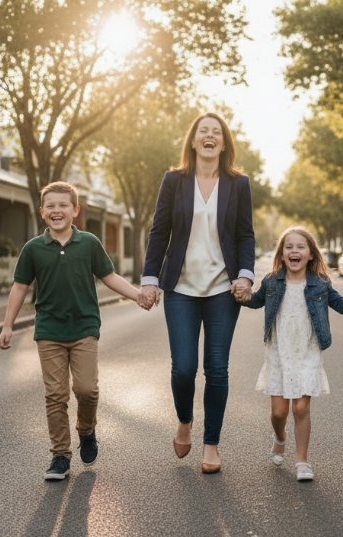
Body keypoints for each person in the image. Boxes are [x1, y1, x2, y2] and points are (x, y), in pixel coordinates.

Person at [0, 181, 148, 481]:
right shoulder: (33, 249)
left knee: (87, 390)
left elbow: (109, 276)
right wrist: (7, 325)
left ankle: (86, 429)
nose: (57, 210)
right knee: (55, 394)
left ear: (75, 210)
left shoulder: (89, 243)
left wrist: (137, 295)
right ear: (42, 212)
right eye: (50, 206)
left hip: (84, 328)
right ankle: (60, 456)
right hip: (49, 330)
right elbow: (19, 287)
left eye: (63, 205)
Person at [140, 112, 256, 474]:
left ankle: (211, 444)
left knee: (217, 370)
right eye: (202, 131)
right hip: (182, 289)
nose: (209, 136)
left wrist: (246, 275)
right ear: (193, 141)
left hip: (223, 288)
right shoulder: (174, 181)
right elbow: (159, 231)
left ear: (223, 143)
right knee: (184, 368)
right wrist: (149, 278)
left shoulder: (238, 183)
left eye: (216, 132)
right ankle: (185, 420)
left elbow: (245, 234)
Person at [242, 227, 343, 481]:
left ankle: (302, 462)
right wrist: (242, 296)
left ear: (310, 255)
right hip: (278, 353)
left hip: (307, 352)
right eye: (289, 247)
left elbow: (342, 305)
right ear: (282, 254)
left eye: (300, 247)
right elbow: (255, 300)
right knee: (278, 412)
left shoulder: (320, 284)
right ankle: (280, 437)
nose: (294, 251)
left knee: (300, 408)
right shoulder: (272, 281)